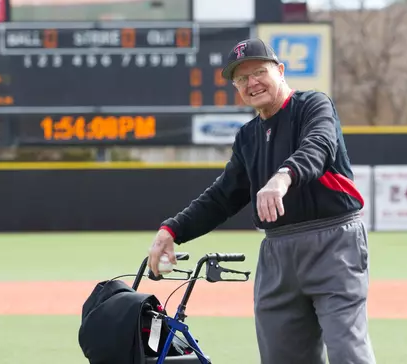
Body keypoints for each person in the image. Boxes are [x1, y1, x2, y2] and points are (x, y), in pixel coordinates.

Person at [148, 38, 377, 364]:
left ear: (280, 71)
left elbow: (318, 146)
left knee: (347, 352)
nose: (251, 83)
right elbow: (222, 197)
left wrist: (283, 176)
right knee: (281, 357)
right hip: (277, 251)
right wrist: (172, 230)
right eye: (241, 79)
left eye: (259, 72)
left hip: (334, 244)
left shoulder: (313, 105)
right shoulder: (248, 136)